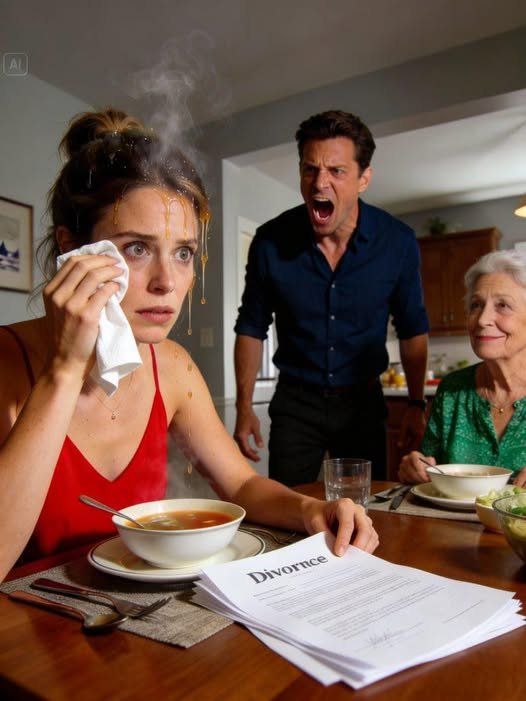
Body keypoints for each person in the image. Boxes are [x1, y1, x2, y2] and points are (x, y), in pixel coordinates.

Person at [0, 108, 379, 582]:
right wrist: (63, 370)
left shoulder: (173, 366)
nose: (167, 281)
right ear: (72, 250)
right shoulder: (6, 363)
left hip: (136, 617)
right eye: (137, 248)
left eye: (183, 252)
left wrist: (311, 509)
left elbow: (241, 485)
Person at [233, 110, 429, 486]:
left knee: (363, 508)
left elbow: (412, 328)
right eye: (310, 169)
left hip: (363, 403)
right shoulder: (270, 241)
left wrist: (416, 403)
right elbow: (251, 326)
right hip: (295, 403)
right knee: (287, 505)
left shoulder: (397, 242)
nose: (320, 183)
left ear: (363, 179)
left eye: (336, 171)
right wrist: (244, 407)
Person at [399, 249, 526, 487]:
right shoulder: (453, 390)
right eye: (476, 305)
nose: (482, 319)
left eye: (503, 305)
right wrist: (415, 468)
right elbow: (429, 470)